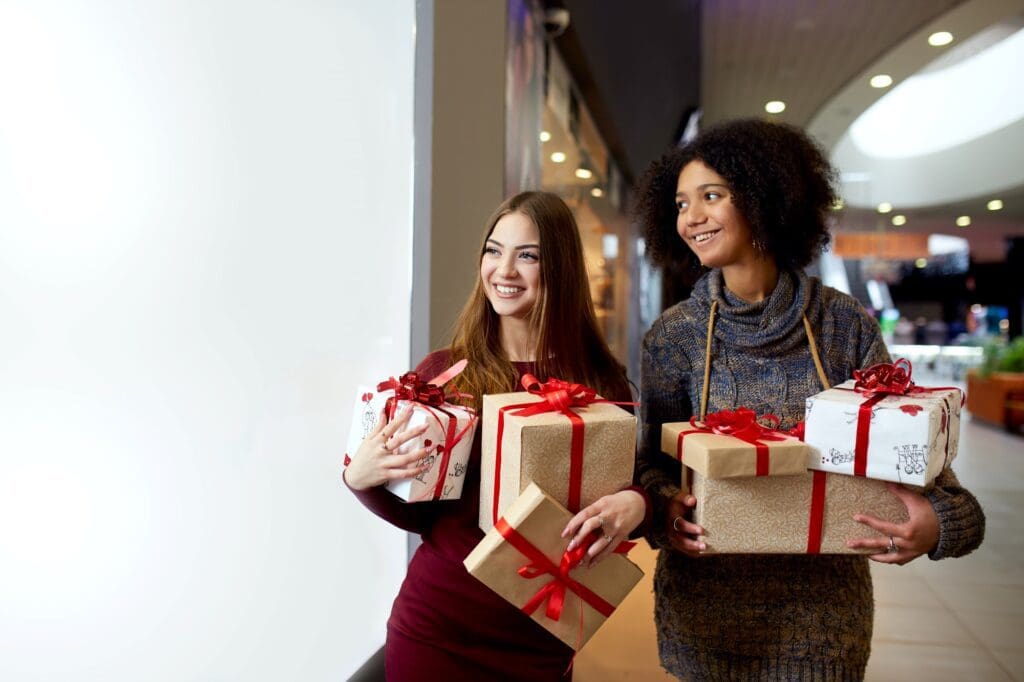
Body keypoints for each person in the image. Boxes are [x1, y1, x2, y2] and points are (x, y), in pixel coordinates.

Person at [564, 119, 985, 680]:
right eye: (681, 203)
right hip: (703, 615)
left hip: (823, 618)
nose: (690, 218)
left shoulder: (843, 327)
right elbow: (650, 468)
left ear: (764, 200)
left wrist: (938, 522)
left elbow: (926, 467)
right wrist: (667, 514)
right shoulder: (674, 335)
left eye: (711, 196)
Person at [344, 191, 637, 680]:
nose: (504, 270)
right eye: (493, 250)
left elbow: (617, 500)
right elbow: (422, 517)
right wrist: (364, 479)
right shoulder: (445, 374)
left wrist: (637, 504)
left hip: (542, 636)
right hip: (440, 629)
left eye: (527, 256)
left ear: (560, 268)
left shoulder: (600, 381)